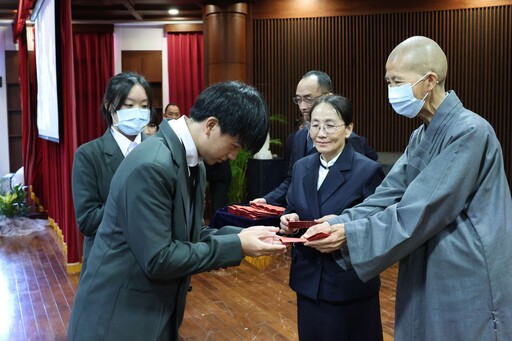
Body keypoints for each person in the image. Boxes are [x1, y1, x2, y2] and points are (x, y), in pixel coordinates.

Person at [302, 36, 512, 340]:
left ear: (429, 81)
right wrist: (338, 221)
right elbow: (389, 194)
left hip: (464, 262)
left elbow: (424, 207)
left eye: (397, 81)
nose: (391, 91)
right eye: (389, 82)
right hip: (428, 251)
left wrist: (351, 234)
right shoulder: (421, 136)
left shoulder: (470, 131)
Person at [68, 81, 287, 340]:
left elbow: (190, 233)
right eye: (235, 146)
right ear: (211, 126)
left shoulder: (191, 161)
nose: (233, 157)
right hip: (117, 320)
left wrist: (244, 236)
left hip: (151, 313)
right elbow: (159, 258)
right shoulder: (153, 165)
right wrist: (237, 245)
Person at [280, 95, 384, 340]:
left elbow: (377, 225)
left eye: (329, 125)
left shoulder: (367, 170)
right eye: (314, 125)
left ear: (348, 129)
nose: (320, 133)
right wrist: (288, 219)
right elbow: (292, 206)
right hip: (307, 280)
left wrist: (343, 229)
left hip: (347, 285)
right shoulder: (302, 166)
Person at [252, 70, 377, 206]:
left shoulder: (350, 141)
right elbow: (293, 181)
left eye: (308, 99)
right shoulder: (298, 137)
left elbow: (357, 189)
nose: (303, 106)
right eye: (298, 100)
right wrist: (268, 201)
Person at [71, 72, 151, 276]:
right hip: (108, 268)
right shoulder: (89, 155)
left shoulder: (159, 149)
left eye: (144, 105)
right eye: (129, 105)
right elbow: (88, 222)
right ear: (110, 106)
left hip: (153, 264)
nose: (138, 112)